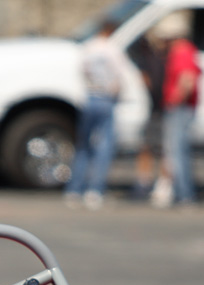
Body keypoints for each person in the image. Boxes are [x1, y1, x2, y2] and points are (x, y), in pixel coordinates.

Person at [63, 19, 131, 211]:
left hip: (90, 97)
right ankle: (95, 190)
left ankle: (74, 189)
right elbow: (119, 76)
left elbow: (82, 71)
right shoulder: (112, 49)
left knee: (84, 145)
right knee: (104, 146)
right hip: (106, 99)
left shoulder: (88, 47)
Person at [151, 12, 200, 208]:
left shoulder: (182, 51)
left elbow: (187, 80)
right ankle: (183, 192)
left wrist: (174, 100)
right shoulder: (185, 50)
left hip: (179, 108)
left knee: (176, 152)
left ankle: (184, 194)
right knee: (177, 151)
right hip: (182, 108)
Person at [127, 34, 166, 200]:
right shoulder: (161, 59)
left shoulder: (148, 61)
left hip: (158, 109)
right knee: (157, 149)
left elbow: (148, 84)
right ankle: (158, 185)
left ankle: (149, 184)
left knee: (151, 148)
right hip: (160, 108)